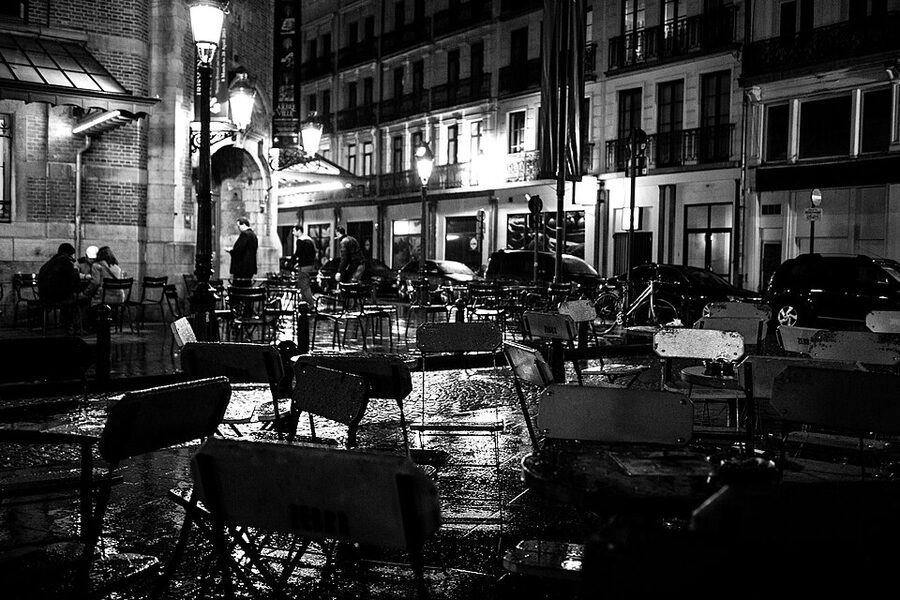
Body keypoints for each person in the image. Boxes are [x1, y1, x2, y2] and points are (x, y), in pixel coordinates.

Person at [37, 242, 83, 333]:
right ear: (69, 253)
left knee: (68, 296)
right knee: (81, 300)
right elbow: (74, 280)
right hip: (57, 297)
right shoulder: (65, 261)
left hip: (45, 297)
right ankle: (75, 328)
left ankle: (65, 326)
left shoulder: (50, 263)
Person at [288, 224, 317, 307]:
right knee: (304, 284)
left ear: (299, 231)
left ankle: (310, 304)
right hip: (310, 265)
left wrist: (292, 262)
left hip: (303, 266)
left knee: (304, 285)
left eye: (294, 231)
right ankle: (304, 304)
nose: (293, 233)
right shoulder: (310, 240)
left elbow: (298, 253)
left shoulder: (300, 240)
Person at [228, 217, 258, 284]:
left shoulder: (244, 235)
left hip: (241, 268)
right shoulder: (253, 235)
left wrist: (231, 251)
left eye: (239, 226)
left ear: (244, 224)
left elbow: (239, 250)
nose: (238, 228)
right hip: (250, 268)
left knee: (239, 288)